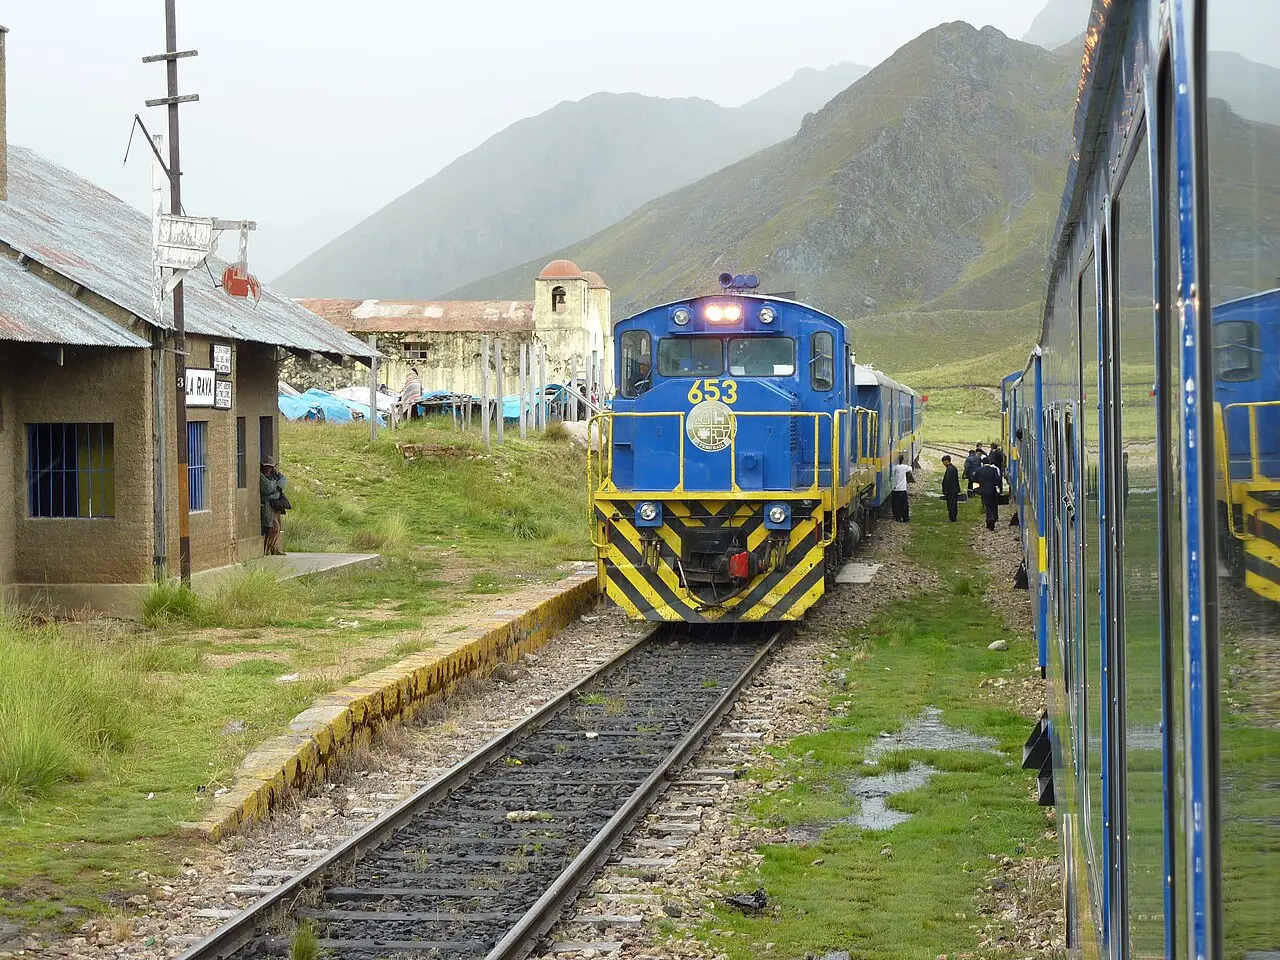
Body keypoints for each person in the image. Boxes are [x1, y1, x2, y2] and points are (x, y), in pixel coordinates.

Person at [260, 456, 289, 556]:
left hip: (276, 505)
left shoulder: (275, 475)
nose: (268, 469)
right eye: (266, 466)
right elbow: (267, 488)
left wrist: (275, 487)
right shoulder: (262, 476)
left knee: (278, 527)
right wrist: (276, 487)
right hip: (268, 505)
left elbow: (284, 480)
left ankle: (274, 548)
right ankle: (268, 549)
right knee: (274, 528)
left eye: (270, 467)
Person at [975, 455, 1003, 530]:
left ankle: (989, 519)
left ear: (982, 463)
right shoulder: (993, 470)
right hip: (992, 490)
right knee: (992, 505)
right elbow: (997, 480)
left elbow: (974, 480)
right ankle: (992, 518)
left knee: (987, 506)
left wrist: (976, 489)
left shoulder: (979, 470)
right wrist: (999, 488)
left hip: (983, 491)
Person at [890, 454, 912, 522]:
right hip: (902, 489)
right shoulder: (904, 467)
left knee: (895, 505)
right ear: (902, 460)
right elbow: (910, 468)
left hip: (894, 489)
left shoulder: (894, 467)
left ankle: (897, 517)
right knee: (904, 505)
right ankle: (905, 518)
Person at [941, 454, 961, 522]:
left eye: (943, 462)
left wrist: (946, 490)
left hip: (951, 490)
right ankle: (953, 517)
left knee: (951, 504)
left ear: (946, 461)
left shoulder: (950, 469)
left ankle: (952, 518)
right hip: (953, 489)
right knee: (953, 504)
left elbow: (948, 481)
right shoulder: (952, 468)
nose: (943, 464)